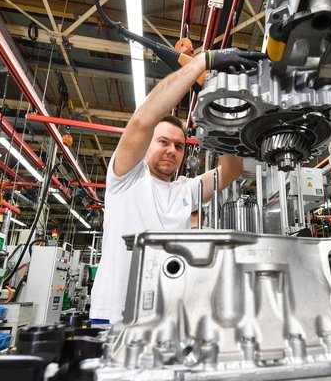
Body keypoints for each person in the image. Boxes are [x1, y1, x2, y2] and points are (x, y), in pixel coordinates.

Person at [90, 48, 264, 323]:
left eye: (179, 146)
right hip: (115, 315)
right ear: (147, 144)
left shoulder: (185, 189)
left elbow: (232, 171)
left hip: (168, 317)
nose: (172, 150)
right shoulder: (126, 177)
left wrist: (224, 114)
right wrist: (201, 63)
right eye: (163, 142)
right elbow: (141, 121)